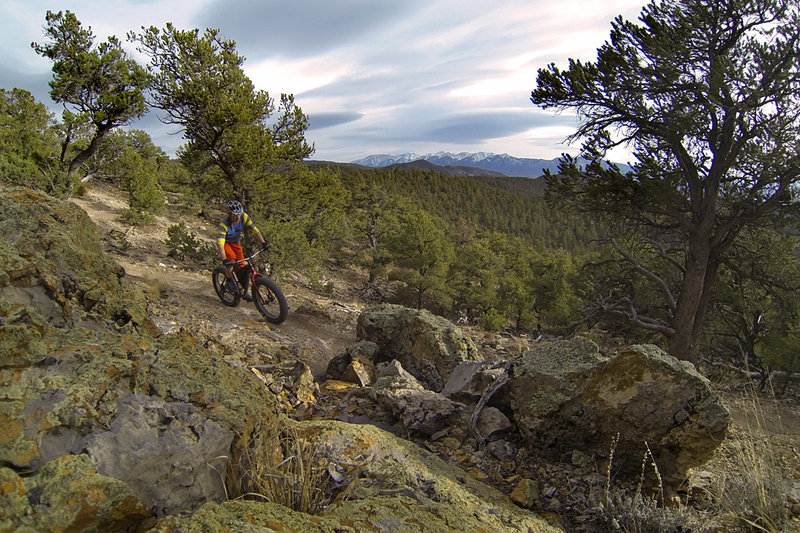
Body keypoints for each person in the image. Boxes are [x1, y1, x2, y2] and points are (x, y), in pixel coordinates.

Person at [217, 199, 267, 301]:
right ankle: (229, 281)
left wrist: (263, 242)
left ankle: (244, 291)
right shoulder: (224, 224)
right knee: (231, 260)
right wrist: (224, 259)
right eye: (234, 215)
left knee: (241, 265)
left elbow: (255, 230)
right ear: (229, 214)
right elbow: (220, 244)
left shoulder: (244, 217)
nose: (237, 217)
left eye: (238, 215)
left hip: (236, 243)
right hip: (226, 243)